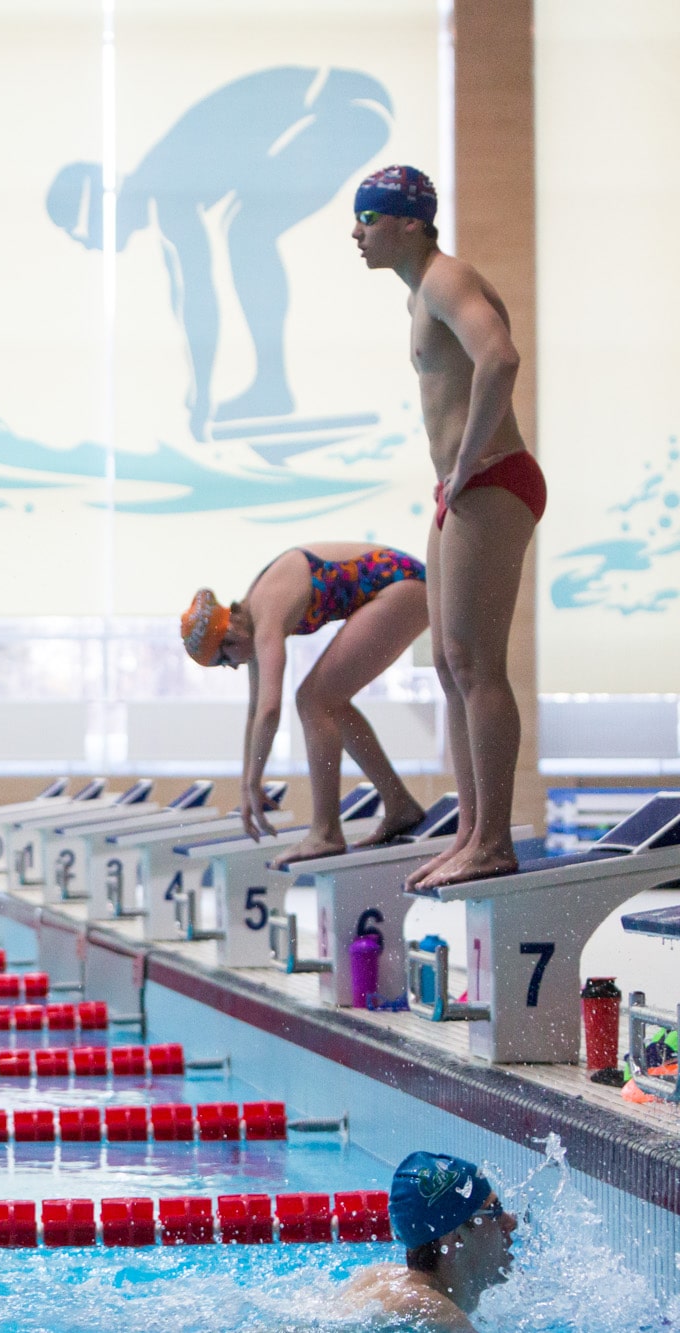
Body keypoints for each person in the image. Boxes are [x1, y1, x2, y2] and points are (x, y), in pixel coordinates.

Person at [352, 165, 542, 889]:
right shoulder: (419, 295)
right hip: (466, 484)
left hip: (491, 478)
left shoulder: (445, 279)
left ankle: (493, 839)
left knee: (475, 663)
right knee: (447, 664)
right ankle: (470, 830)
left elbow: (501, 357)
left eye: (366, 218)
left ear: (407, 221)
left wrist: (466, 461)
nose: (356, 233)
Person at [48, 67, 394, 439]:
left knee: (248, 229)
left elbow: (198, 298)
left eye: (83, 236)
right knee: (247, 226)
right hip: (344, 106)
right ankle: (271, 385)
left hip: (349, 107)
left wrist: (202, 399)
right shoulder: (160, 184)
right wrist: (200, 391)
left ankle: (272, 387)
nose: (89, 247)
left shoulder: (166, 189)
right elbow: (184, 293)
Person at [182, 543, 429, 867]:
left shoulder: (265, 613)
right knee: (325, 701)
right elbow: (256, 711)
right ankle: (400, 806)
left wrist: (255, 781)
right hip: (400, 585)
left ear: (229, 634)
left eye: (225, 660)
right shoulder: (252, 621)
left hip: (402, 584)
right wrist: (246, 784)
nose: (233, 666)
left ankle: (326, 831)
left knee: (314, 700)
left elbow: (271, 710)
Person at [342, 1151, 518, 1331]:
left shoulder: (378, 1277)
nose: (512, 1222)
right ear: (455, 1239)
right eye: (494, 1211)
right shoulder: (436, 1314)